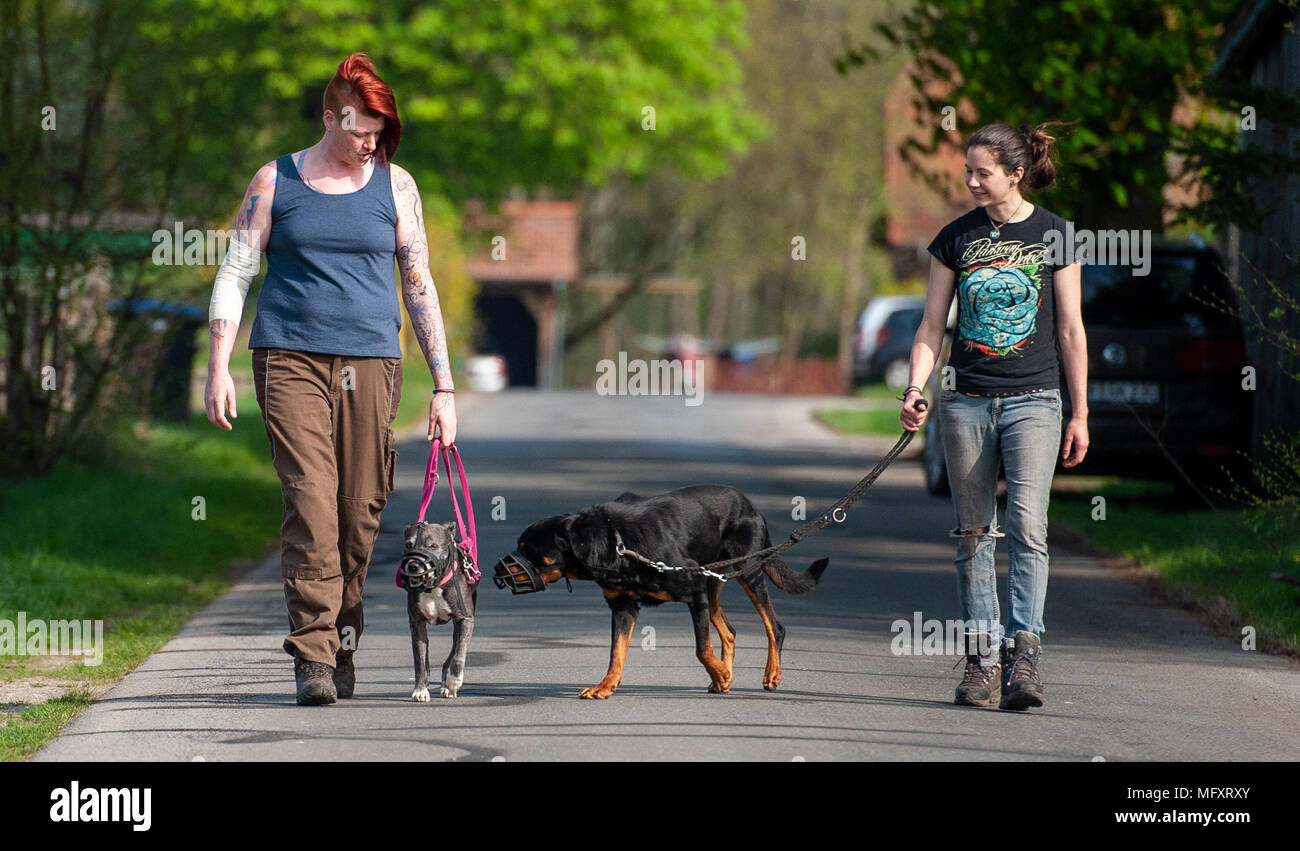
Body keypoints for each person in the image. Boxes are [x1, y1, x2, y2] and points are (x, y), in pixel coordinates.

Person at [203, 53, 458, 705]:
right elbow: (235, 272)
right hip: (289, 358)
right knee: (312, 500)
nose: (370, 141)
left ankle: (343, 636)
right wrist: (217, 366)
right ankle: (313, 655)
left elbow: (419, 283)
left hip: (373, 360)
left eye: (379, 130)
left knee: (359, 511)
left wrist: (445, 384)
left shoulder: (397, 188)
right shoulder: (275, 180)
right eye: (360, 129)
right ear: (329, 117)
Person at [900, 122, 1089, 711]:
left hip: (1036, 400)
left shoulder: (1057, 235)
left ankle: (1024, 652)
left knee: (1029, 530)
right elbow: (932, 326)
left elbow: (1069, 328)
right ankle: (982, 662)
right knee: (974, 535)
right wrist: (914, 386)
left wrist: (1080, 412)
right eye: (968, 172)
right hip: (965, 403)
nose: (971, 182)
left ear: (1015, 173)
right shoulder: (954, 239)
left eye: (982, 172)